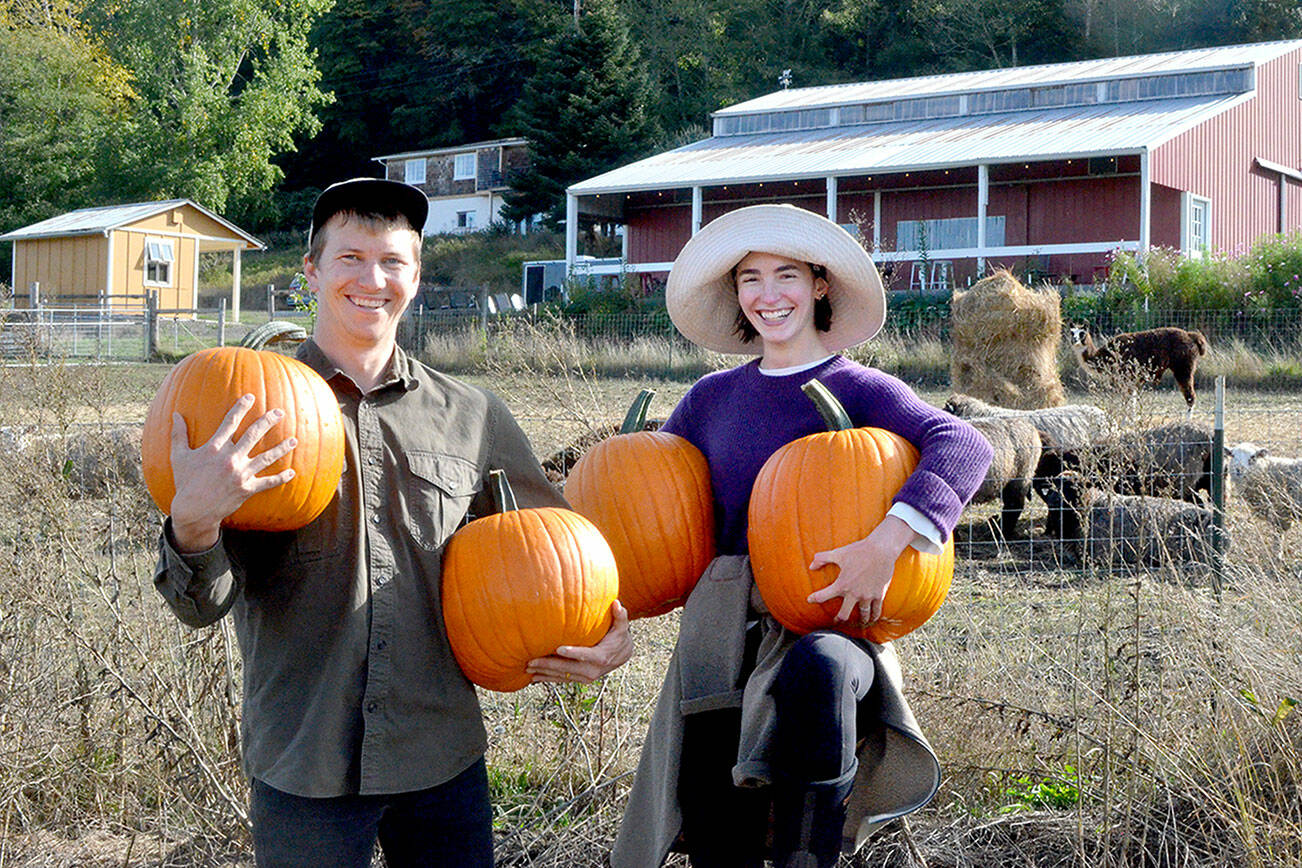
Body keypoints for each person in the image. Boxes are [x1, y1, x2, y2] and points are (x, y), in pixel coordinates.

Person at [152, 178, 632, 868]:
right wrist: (193, 524)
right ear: (311, 271)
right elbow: (199, 607)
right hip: (303, 757)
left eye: (392, 261)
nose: (371, 279)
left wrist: (604, 634)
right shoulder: (245, 412)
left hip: (441, 756)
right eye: (349, 258)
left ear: (415, 276)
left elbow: (559, 554)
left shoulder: (473, 415)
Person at [611, 204, 993, 868]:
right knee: (717, 836)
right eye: (750, 278)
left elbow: (963, 443)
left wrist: (887, 544)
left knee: (816, 674)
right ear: (735, 294)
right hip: (721, 635)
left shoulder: (862, 388)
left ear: (819, 284)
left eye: (785, 275)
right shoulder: (709, 401)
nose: (767, 295)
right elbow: (657, 509)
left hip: (833, 618)